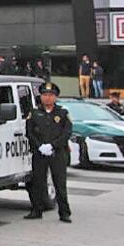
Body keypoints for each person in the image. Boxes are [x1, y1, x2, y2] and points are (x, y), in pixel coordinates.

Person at [25, 81, 72, 223]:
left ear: (56, 97)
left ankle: (64, 213)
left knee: (59, 183)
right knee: (37, 182)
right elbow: (29, 132)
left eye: (51, 95)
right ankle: (36, 210)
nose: (47, 98)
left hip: (57, 153)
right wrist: (39, 146)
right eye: (45, 95)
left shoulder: (62, 113)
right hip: (39, 153)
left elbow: (66, 133)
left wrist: (53, 146)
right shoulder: (34, 113)